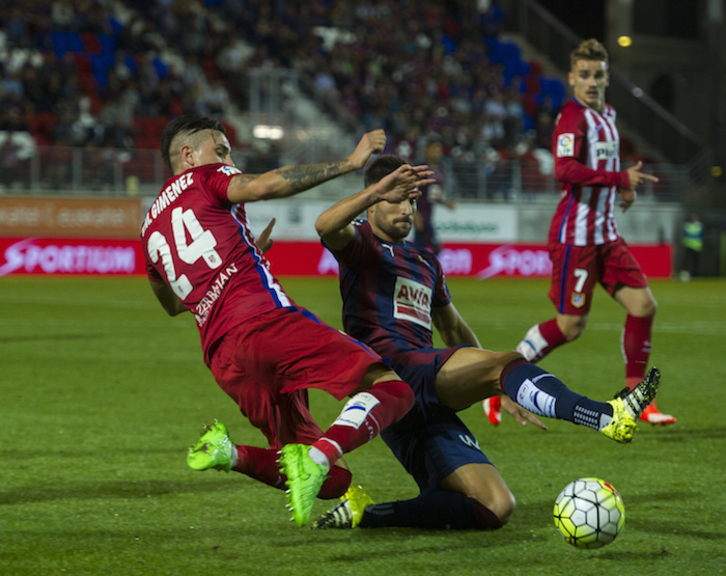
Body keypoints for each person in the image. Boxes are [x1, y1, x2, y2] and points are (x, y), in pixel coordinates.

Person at [311, 153, 660, 531]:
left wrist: (498, 388)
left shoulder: (426, 262)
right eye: (396, 198)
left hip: (424, 390)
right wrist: (498, 372)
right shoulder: (360, 243)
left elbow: (456, 331)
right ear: (373, 198)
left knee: (495, 507)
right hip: (390, 375)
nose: (407, 209)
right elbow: (325, 225)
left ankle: (365, 513)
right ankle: (606, 415)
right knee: (505, 362)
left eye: (411, 200)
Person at [141, 115, 439, 528]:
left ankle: (229, 453)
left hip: (224, 359)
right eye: (222, 150)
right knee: (394, 391)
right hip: (263, 322)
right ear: (188, 155)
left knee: (332, 481)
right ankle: (317, 456)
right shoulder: (204, 178)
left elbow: (173, 305)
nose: (230, 159)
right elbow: (266, 186)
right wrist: (352, 165)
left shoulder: (149, 227)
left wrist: (239, 253)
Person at [509, 39, 675, 426]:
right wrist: (619, 177)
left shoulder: (608, 115)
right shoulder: (573, 118)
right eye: (584, 75)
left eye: (598, 75)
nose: (592, 82)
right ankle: (508, 378)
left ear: (606, 78)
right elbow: (564, 169)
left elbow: (605, 165)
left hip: (606, 235)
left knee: (644, 305)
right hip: (576, 238)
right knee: (570, 327)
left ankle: (637, 400)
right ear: (571, 78)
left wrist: (624, 187)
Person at [413, 140, 456, 254]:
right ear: (427, 150)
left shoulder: (440, 170)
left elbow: (433, 194)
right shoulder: (419, 168)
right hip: (420, 213)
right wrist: (414, 213)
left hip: (429, 213)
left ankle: (422, 269)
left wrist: (444, 202)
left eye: (439, 150)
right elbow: (410, 190)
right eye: (434, 149)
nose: (437, 152)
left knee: (424, 247)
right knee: (432, 246)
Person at [681, 212, 703, 280]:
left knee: (696, 262)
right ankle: (686, 275)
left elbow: (701, 235)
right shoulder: (687, 225)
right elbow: (685, 234)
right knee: (687, 262)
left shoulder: (699, 225)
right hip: (689, 246)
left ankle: (695, 275)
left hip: (696, 246)